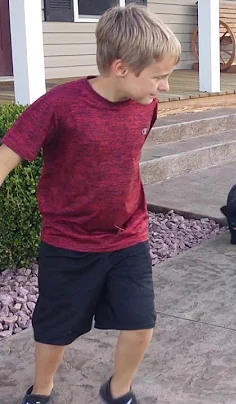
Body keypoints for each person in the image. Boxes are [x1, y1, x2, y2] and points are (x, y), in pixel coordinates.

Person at [0, 4, 181, 404]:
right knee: (54, 329)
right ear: (121, 67)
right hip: (68, 243)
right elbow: (8, 153)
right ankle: (42, 390)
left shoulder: (146, 105)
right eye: (159, 77)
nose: (164, 87)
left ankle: (119, 391)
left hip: (128, 237)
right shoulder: (60, 105)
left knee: (140, 323)